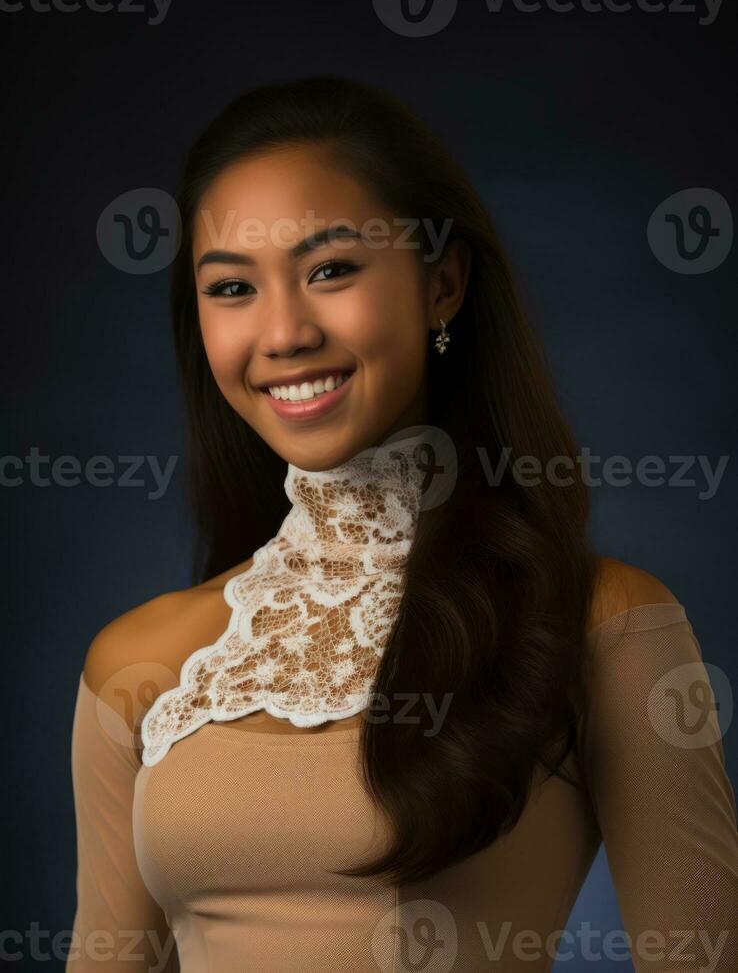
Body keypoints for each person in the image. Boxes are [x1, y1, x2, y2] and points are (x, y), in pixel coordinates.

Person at [66, 75, 738, 972]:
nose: (283, 333)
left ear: (443, 284)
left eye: (332, 270)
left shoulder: (602, 624)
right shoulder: (139, 665)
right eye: (231, 287)